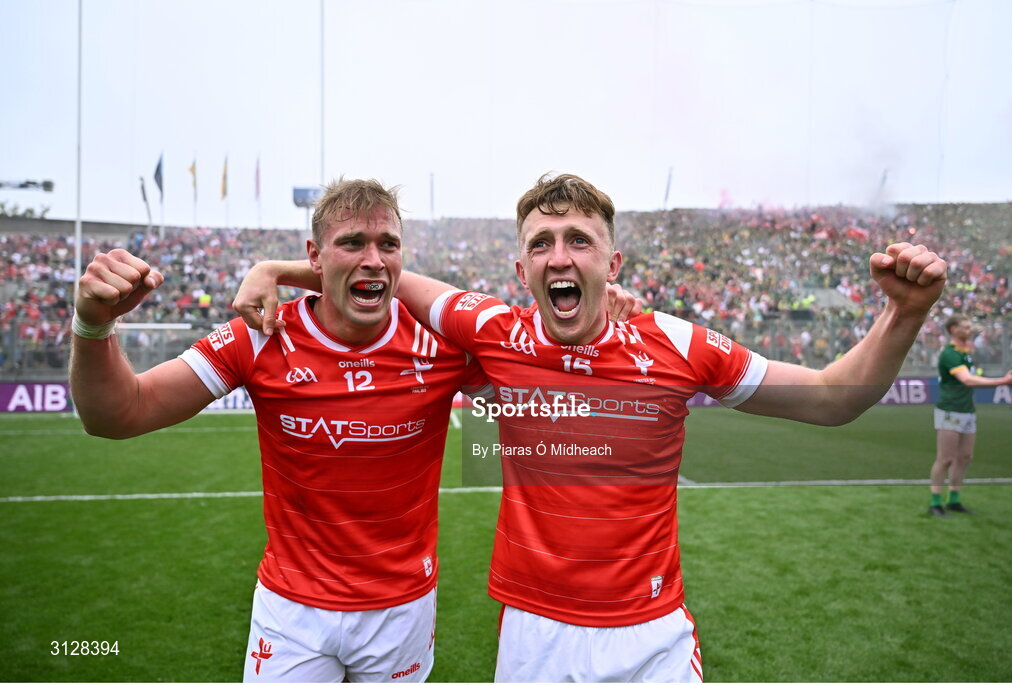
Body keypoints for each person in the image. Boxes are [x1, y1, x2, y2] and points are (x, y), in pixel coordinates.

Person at [234, 173, 950, 683]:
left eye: (579, 239)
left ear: (613, 263)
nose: (560, 256)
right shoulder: (491, 329)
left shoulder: (677, 343)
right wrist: (275, 268)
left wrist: (903, 315)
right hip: (535, 636)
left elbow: (831, 397)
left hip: (652, 637)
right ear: (522, 268)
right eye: (542, 242)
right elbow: (371, 271)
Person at [69, 178, 483, 682]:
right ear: (315, 255)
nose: (374, 259)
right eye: (352, 242)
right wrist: (92, 325)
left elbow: (551, 400)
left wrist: (606, 324)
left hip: (401, 609)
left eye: (388, 244)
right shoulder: (261, 336)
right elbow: (118, 414)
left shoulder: (441, 344)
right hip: (291, 612)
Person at [928, 315, 1012, 517]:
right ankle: (935, 502)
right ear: (953, 329)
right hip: (950, 410)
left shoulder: (966, 352)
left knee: (965, 457)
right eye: (965, 326)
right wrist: (1002, 381)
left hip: (966, 410)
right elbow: (967, 380)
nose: (970, 329)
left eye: (970, 326)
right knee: (945, 459)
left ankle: (954, 499)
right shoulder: (950, 354)